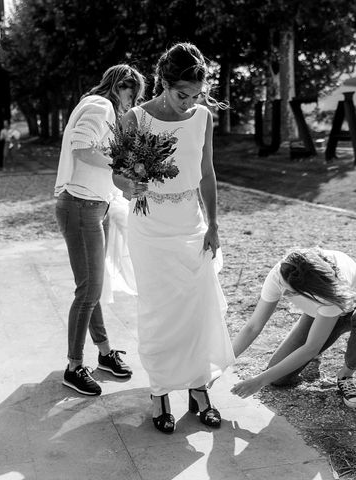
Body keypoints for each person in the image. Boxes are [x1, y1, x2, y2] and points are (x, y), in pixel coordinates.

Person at [116, 43, 234, 433]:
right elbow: (118, 174)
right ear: (164, 84)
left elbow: (206, 174)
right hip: (149, 229)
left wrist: (213, 224)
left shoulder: (202, 118)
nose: (190, 103)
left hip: (191, 225)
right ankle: (160, 391)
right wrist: (129, 185)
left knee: (197, 310)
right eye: (183, 94)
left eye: (197, 95)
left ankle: (199, 390)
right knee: (159, 312)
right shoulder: (135, 117)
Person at [54, 64, 146, 396]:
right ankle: (74, 366)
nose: (131, 99)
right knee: (88, 291)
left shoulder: (101, 107)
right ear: (117, 86)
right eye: (129, 90)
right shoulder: (100, 105)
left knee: (94, 286)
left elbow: (95, 155)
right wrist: (121, 164)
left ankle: (104, 353)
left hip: (95, 206)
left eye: (135, 93)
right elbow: (82, 148)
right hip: (80, 208)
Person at [230, 247, 356, 409]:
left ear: (312, 289)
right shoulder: (282, 272)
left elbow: (311, 347)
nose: (285, 293)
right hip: (323, 314)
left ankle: (346, 375)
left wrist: (259, 381)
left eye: (292, 292)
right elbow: (253, 326)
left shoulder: (333, 285)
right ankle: (320, 344)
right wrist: (221, 364)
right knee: (278, 378)